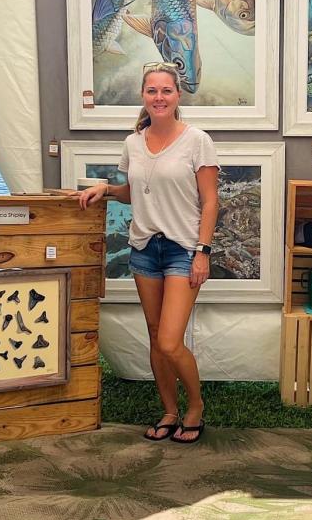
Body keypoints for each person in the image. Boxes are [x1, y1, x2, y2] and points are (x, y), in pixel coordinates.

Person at [79, 63, 219, 443]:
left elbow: (210, 202)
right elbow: (134, 191)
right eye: (152, 91)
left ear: (178, 95)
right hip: (144, 248)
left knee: (171, 341)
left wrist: (202, 252)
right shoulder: (133, 143)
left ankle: (195, 406)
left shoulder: (197, 140)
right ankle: (170, 411)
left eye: (166, 91)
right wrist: (107, 190)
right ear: (143, 95)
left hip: (183, 249)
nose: (159, 97)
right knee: (156, 336)